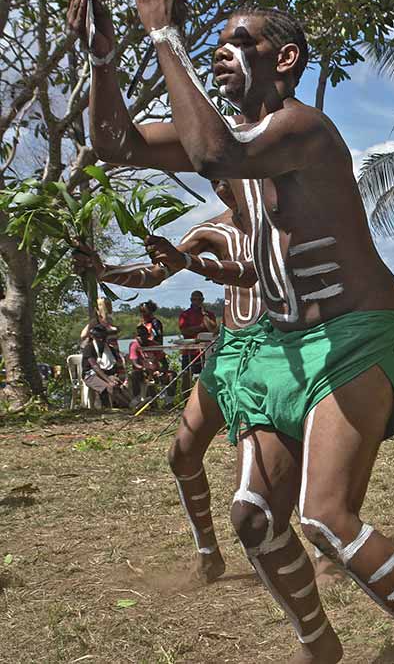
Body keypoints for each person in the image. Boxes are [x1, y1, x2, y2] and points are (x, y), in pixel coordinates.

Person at [71, 0, 394, 663]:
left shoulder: (304, 130)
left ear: (284, 59)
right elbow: (116, 142)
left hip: (351, 338)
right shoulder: (232, 139)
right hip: (277, 347)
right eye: (217, 44)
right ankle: (319, 644)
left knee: (325, 516)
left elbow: (214, 157)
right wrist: (102, 60)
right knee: (254, 516)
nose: (222, 53)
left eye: (239, 43)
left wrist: (165, 34)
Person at [74, 177, 267, 585]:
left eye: (228, 176)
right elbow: (159, 271)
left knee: (270, 470)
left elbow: (254, 272)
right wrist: (105, 270)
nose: (223, 188)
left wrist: (192, 264)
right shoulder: (210, 230)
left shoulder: (284, 221)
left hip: (279, 350)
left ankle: (316, 551)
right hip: (229, 350)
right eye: (214, 181)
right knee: (182, 455)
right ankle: (208, 554)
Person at [81, 323, 130, 407]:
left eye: (103, 338)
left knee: (119, 384)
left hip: (106, 373)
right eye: (99, 338)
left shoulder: (110, 349)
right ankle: (117, 407)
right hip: (90, 375)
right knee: (107, 387)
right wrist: (109, 380)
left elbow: (115, 365)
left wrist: (115, 377)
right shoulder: (89, 348)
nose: (101, 340)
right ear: (93, 337)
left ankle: (130, 403)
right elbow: (95, 367)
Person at [177, 290, 218, 390]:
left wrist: (204, 315)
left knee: (208, 375)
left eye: (199, 299)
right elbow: (184, 331)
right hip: (190, 350)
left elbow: (213, 330)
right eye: (194, 299)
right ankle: (185, 400)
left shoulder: (209, 314)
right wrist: (200, 327)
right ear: (191, 300)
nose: (197, 301)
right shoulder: (185, 315)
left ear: (203, 300)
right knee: (186, 375)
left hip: (207, 351)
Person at [127, 324, 173, 404]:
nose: (142, 337)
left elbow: (164, 362)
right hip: (142, 372)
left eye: (144, 335)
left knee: (171, 375)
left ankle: (169, 401)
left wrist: (161, 371)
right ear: (136, 336)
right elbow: (135, 363)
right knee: (134, 374)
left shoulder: (154, 345)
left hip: (155, 371)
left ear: (148, 335)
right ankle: (137, 399)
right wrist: (144, 369)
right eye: (139, 335)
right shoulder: (134, 345)